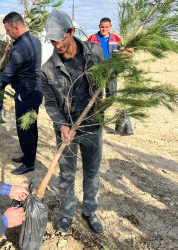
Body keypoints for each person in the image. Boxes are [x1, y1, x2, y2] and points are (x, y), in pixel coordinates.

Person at [40, 11, 106, 234]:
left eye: (61, 38)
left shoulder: (94, 51)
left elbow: (109, 77)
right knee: (67, 174)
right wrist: (61, 124)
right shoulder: (47, 69)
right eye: (52, 39)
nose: (57, 44)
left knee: (91, 173)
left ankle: (89, 211)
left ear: (72, 32)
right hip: (66, 131)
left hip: (93, 125)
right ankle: (67, 213)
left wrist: (108, 99)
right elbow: (50, 103)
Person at [0, 12, 42, 175]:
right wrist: (11, 49)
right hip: (35, 91)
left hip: (26, 93)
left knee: (24, 129)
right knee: (31, 128)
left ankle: (29, 163)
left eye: (8, 30)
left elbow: (9, 74)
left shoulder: (20, 48)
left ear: (16, 27)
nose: (7, 33)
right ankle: (29, 156)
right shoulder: (34, 40)